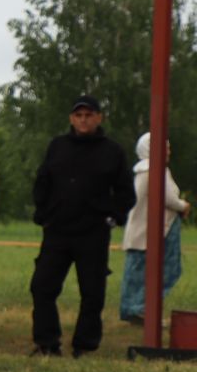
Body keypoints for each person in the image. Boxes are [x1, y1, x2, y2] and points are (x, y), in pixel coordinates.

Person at [28, 95, 135, 357]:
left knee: (92, 292)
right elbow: (42, 182)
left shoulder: (112, 151)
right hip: (58, 230)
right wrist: (44, 213)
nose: (83, 120)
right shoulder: (57, 146)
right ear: (71, 119)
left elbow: (125, 193)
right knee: (41, 286)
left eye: (89, 115)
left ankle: (85, 346)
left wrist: (113, 217)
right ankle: (47, 343)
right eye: (79, 115)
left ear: (99, 118)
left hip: (93, 232)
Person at [119, 133, 189, 325]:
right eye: (164, 147)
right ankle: (142, 309)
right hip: (152, 232)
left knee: (137, 273)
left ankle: (136, 309)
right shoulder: (154, 170)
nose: (169, 151)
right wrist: (184, 206)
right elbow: (167, 198)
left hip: (140, 231)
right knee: (161, 271)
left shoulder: (142, 171)